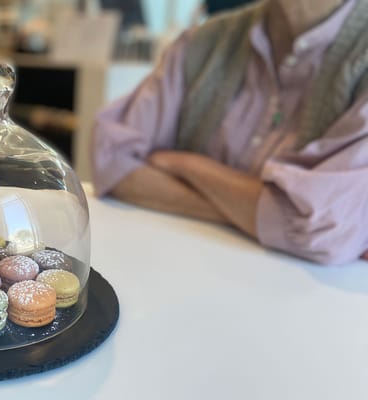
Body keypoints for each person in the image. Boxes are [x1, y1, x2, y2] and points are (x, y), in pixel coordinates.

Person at [92, 0, 368, 265]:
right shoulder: (205, 42)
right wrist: (259, 214)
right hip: (182, 277)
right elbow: (112, 161)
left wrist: (187, 165)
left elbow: (320, 229)